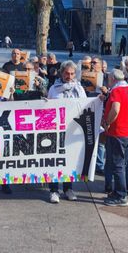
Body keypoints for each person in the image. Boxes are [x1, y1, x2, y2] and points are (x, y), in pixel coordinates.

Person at [46, 60, 87, 203]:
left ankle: (68, 188)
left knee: (69, 160)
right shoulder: (54, 89)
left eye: (72, 73)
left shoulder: (79, 89)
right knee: (54, 160)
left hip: (72, 130)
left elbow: (85, 107)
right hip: (56, 130)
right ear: (61, 73)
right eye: (66, 73)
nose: (69, 76)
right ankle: (53, 190)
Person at [102, 68, 128, 207]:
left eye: (109, 79)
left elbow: (115, 109)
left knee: (117, 165)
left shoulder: (116, 91)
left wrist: (107, 122)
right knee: (122, 164)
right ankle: (118, 192)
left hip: (118, 132)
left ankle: (121, 196)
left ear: (112, 79)